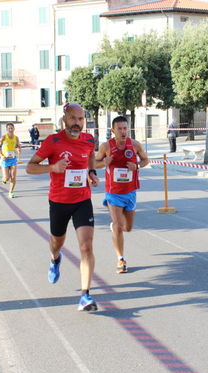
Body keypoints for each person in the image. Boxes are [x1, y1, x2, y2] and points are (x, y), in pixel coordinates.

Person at [26, 103, 99, 312]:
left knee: (86, 246)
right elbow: (30, 167)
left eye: (81, 119)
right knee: (57, 242)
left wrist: (92, 173)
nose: (77, 123)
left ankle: (85, 295)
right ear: (64, 119)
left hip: (82, 199)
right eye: (73, 118)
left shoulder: (89, 140)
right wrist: (53, 167)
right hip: (58, 201)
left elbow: (91, 155)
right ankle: (55, 259)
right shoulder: (53, 141)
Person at [95, 116, 149, 274]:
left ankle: (115, 226)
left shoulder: (135, 145)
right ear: (113, 131)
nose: (123, 131)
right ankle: (120, 259)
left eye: (125, 128)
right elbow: (94, 163)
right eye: (119, 128)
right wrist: (105, 163)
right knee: (119, 226)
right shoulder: (106, 146)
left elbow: (146, 160)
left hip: (130, 191)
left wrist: (137, 165)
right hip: (113, 192)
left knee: (128, 228)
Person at [0, 123, 21, 198]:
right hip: (5, 159)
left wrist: (19, 149)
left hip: (13, 159)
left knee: (13, 176)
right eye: (9, 128)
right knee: (6, 178)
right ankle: (4, 179)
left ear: (14, 129)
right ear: (6, 129)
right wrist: (1, 156)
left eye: (11, 128)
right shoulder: (3, 137)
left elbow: (18, 146)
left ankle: (11, 192)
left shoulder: (16, 138)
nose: (10, 129)